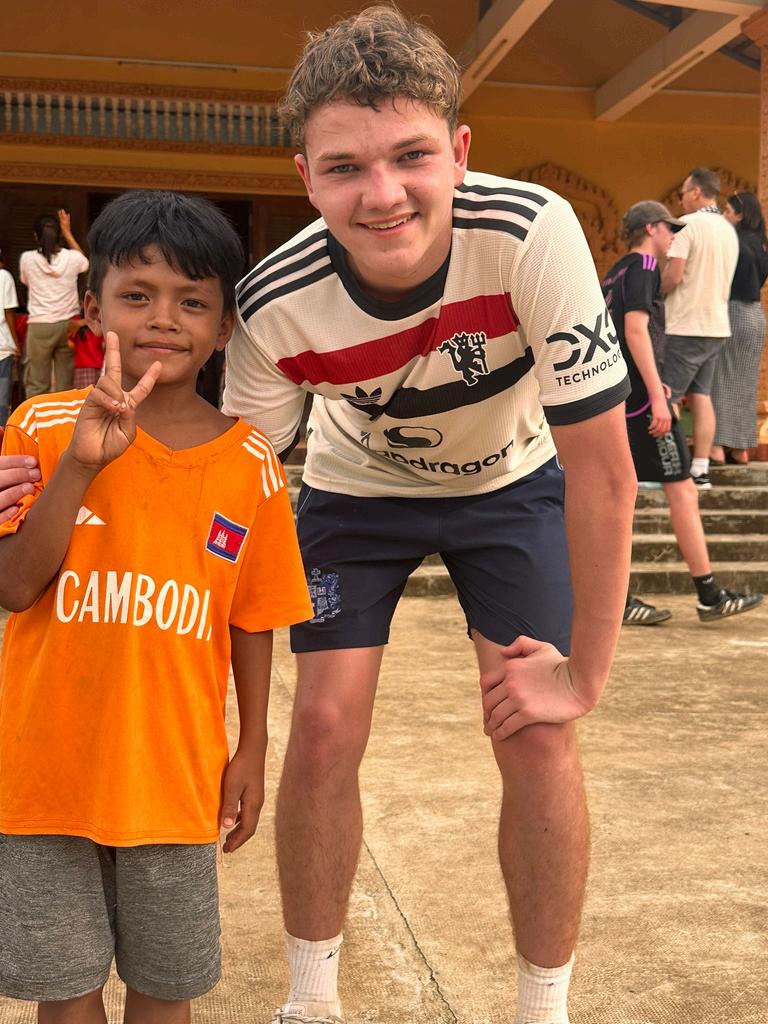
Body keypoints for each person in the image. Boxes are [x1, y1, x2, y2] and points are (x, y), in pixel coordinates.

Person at [222, 7, 637, 1023]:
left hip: (513, 480)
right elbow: (230, 489)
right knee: (324, 725)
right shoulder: (274, 301)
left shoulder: (531, 231)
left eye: (411, 155)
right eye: (345, 167)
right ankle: (310, 1001)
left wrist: (584, 676)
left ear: (459, 151)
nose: (383, 193)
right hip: (356, 488)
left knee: (538, 733)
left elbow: (603, 472)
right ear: (305, 178)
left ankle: (543, 1008)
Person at [0, 190, 312, 1023]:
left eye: (192, 302)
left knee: (165, 991)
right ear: (92, 309)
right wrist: (80, 464)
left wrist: (253, 746)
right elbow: (15, 586)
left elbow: (253, 616)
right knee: (66, 996)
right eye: (137, 295)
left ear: (225, 326)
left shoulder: (251, 462)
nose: (164, 319)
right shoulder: (39, 428)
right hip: (42, 773)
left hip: (173, 775)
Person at [602, 200, 763, 625]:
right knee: (681, 490)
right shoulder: (644, 267)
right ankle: (707, 594)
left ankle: (620, 598)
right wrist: (658, 396)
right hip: (642, 403)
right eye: (669, 228)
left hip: (622, 398)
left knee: (625, 493)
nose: (674, 236)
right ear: (650, 229)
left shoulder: (617, 271)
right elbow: (635, 330)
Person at [661, 167, 738, 490]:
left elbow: (675, 275)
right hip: (716, 324)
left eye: (682, 194)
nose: (680, 200)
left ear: (695, 192)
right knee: (702, 396)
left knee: (668, 397)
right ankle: (700, 469)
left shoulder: (686, 225)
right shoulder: (728, 229)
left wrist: (653, 292)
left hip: (684, 324)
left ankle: (670, 469)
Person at [711, 191, 768, 464]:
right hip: (755, 315)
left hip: (732, 311)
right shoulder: (761, 245)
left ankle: (717, 445)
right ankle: (740, 447)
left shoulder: (733, 240)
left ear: (740, 215)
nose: (724, 215)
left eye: (727, 211)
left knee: (720, 378)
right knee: (744, 383)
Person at [19, 209, 89, 398]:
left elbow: (25, 281)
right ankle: (63, 417)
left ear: (36, 236)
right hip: (68, 326)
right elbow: (85, 263)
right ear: (59, 235)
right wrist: (68, 232)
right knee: (64, 384)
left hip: (39, 326)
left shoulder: (27, 259)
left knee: (37, 384)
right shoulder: (72, 258)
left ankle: (35, 417)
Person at [0, 249, 20, 427]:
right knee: (2, 400)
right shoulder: (4, 276)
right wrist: (16, 344)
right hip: (2, 348)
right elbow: (8, 313)